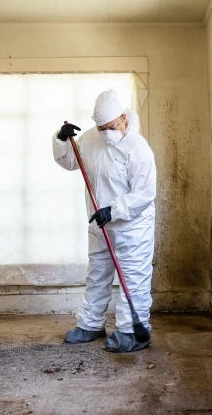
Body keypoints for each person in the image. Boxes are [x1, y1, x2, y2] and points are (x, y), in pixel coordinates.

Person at [52, 88, 157, 353]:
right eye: (101, 128)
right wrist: (62, 140)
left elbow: (145, 193)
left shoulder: (138, 148)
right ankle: (90, 324)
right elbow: (68, 162)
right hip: (100, 226)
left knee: (132, 279)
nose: (105, 133)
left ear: (123, 119)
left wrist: (115, 209)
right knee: (97, 274)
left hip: (132, 228)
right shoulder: (90, 139)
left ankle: (132, 332)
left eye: (110, 127)